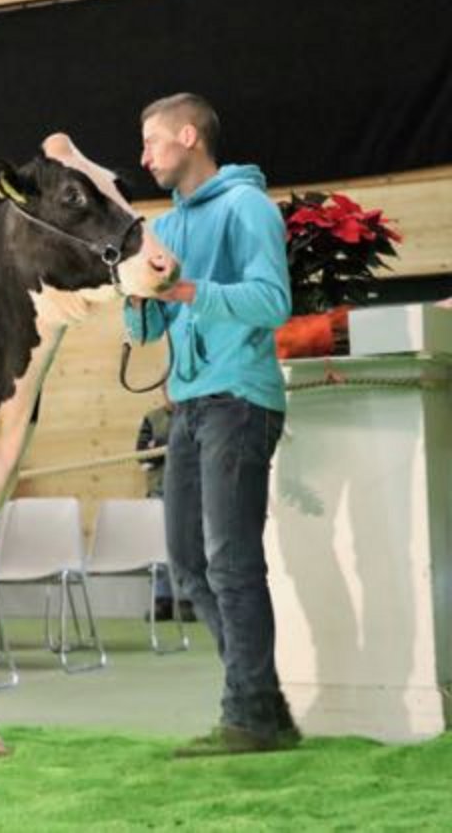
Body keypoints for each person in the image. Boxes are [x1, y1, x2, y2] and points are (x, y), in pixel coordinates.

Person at [130, 93, 297, 756]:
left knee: (231, 563)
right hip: (191, 404)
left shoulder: (247, 207)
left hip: (240, 399)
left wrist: (190, 290)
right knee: (191, 564)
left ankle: (250, 714)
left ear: (189, 136)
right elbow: (152, 326)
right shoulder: (166, 228)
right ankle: (262, 704)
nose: (144, 157)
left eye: (152, 142)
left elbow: (272, 301)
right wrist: (138, 296)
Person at [135, 395, 194, 623]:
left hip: (189, 490)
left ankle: (187, 600)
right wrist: (164, 447)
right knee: (157, 546)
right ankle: (162, 600)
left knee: (187, 546)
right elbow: (143, 458)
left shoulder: (195, 414)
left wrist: (159, 446)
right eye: (166, 389)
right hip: (159, 491)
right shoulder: (152, 418)